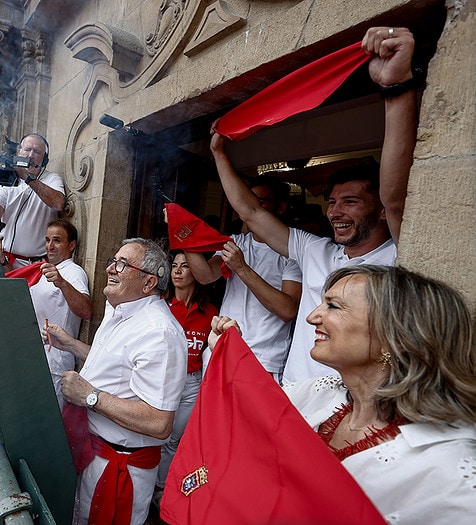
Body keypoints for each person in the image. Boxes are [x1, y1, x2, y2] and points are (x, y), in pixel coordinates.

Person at [209, 26, 418, 383]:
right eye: (333, 201)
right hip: (292, 402)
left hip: (349, 415)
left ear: (381, 209)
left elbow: (396, 198)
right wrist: (218, 152)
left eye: (350, 201)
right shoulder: (315, 251)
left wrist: (395, 88)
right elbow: (252, 213)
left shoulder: (399, 256)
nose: (335, 211)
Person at [209, 265, 476, 524]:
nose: (312, 316)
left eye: (333, 306)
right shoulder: (322, 394)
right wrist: (228, 352)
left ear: (395, 335)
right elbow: (249, 410)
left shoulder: (451, 471)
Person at [43, 238, 188, 524]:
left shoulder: (160, 333)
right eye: (114, 260)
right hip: (91, 451)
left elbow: (160, 423)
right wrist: (71, 344)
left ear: (148, 283)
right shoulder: (119, 309)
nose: (112, 267)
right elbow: (115, 367)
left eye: (123, 264)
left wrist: (90, 396)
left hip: (120, 468)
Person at [185, 176, 302, 382]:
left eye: (260, 202)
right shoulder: (236, 242)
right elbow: (204, 276)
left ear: (281, 207)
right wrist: (183, 234)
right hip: (220, 348)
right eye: (247, 201)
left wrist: (241, 268)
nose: (250, 208)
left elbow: (287, 310)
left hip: (262, 359)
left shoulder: (292, 252)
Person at [154, 250, 218, 505]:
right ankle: (147, 486)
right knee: (157, 436)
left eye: (185, 266)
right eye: (174, 266)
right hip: (163, 380)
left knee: (174, 439)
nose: (178, 271)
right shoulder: (161, 306)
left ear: (196, 272)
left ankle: (160, 489)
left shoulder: (210, 311)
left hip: (191, 383)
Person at [27, 219, 92, 409]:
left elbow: (86, 311)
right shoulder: (43, 271)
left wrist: (62, 283)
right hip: (35, 358)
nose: (50, 246)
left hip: (55, 362)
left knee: (46, 419)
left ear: (71, 245)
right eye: (47, 240)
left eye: (57, 240)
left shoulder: (74, 272)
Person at [0, 133, 65, 270]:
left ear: (44, 159)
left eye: (36, 152)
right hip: (5, 258)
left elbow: (58, 203)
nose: (30, 155)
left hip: (36, 265)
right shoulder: (8, 180)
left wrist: (29, 179)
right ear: (19, 152)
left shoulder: (52, 179)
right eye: (27, 150)